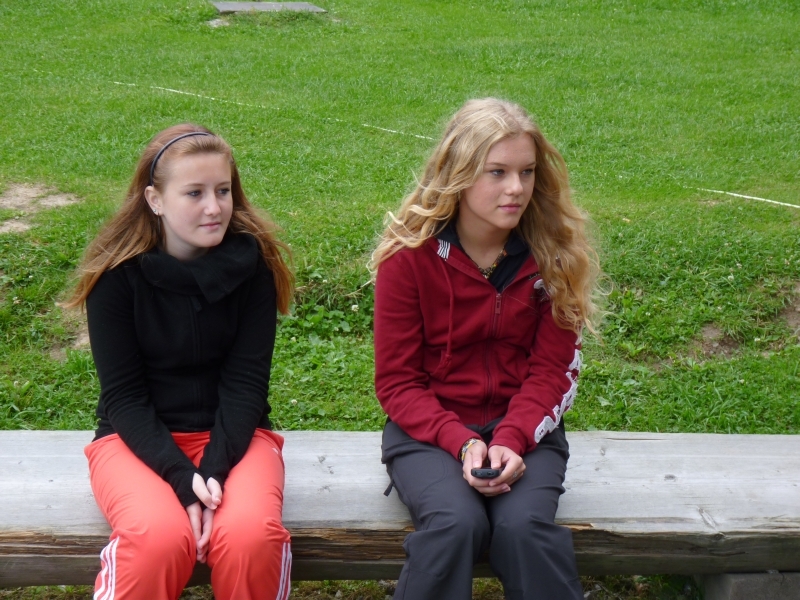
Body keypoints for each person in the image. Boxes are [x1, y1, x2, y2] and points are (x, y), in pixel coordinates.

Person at [371, 98, 599, 600]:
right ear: (458, 174)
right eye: (497, 172)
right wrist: (461, 442)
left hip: (527, 431)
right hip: (428, 435)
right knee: (455, 524)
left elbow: (553, 372)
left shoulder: (554, 257)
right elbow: (397, 382)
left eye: (526, 172)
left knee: (523, 528)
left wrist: (513, 439)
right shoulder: (408, 259)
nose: (516, 188)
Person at [65, 124, 294, 600]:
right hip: (133, 439)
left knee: (250, 538)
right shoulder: (116, 277)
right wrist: (182, 480)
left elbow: (246, 385)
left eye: (223, 190)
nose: (214, 207)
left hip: (236, 437)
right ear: (155, 200)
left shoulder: (253, 269)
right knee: (158, 541)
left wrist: (212, 474)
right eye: (194, 193)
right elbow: (124, 398)